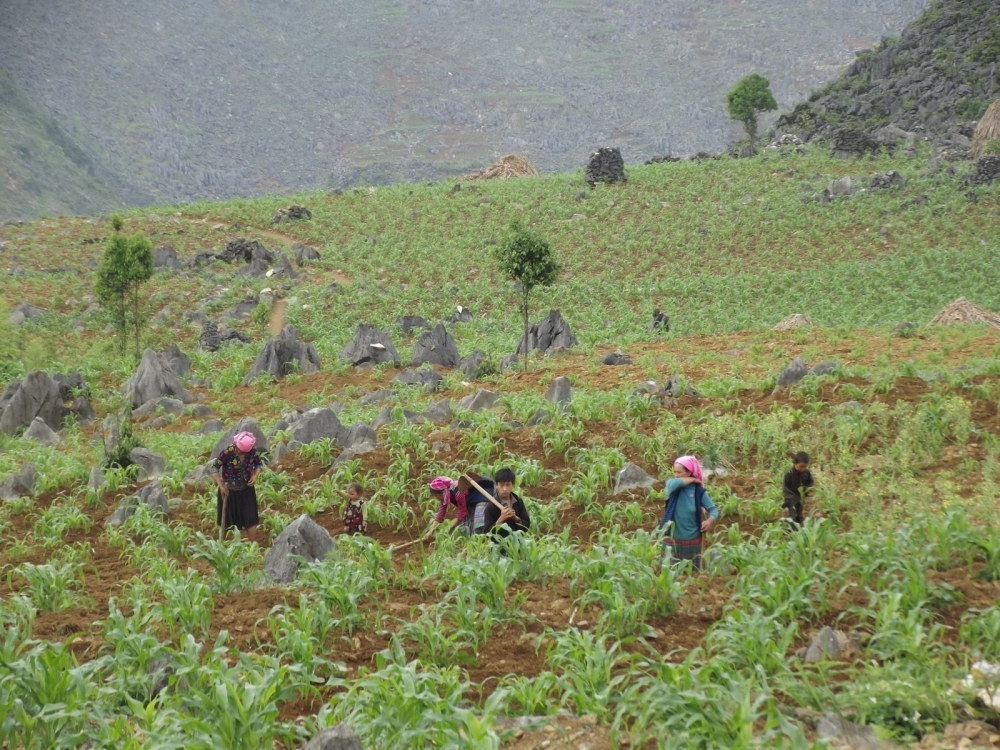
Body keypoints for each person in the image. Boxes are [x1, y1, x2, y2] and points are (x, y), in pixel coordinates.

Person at [654, 455, 718, 573]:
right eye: (675, 472)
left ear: (689, 473)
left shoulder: (697, 491)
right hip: (672, 542)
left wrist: (710, 521)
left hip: (693, 542)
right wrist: (693, 479)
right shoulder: (672, 487)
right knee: (670, 576)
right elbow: (673, 483)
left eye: (680, 472)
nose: (676, 475)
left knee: (692, 577)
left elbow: (713, 510)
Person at [213, 431, 264, 543]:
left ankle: (252, 546)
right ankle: (221, 545)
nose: (243, 453)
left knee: (250, 519)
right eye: (241, 451)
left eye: (245, 452)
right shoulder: (228, 452)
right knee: (225, 520)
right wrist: (221, 486)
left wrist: (255, 475)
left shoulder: (252, 452)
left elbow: (259, 464)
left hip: (246, 490)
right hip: (228, 491)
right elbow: (215, 468)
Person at [482, 468, 530, 538]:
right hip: (499, 546)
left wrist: (516, 519)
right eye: (501, 485)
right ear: (496, 485)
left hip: (517, 545)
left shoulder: (518, 501)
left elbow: (527, 526)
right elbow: (487, 534)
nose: (505, 489)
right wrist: (501, 519)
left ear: (513, 485)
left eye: (508, 485)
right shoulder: (491, 506)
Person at [421, 476, 468, 542]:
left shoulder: (458, 492)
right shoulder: (446, 495)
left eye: (436, 496)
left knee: (477, 529)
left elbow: (462, 513)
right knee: (465, 531)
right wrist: (430, 532)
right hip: (470, 505)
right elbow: (440, 515)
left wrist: (447, 530)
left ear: (441, 492)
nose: (436, 498)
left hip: (481, 499)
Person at [783, 451, 814, 529]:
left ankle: (799, 521)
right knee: (793, 512)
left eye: (805, 466)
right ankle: (792, 528)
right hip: (791, 497)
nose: (803, 469)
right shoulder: (789, 474)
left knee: (799, 510)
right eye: (801, 466)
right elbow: (786, 488)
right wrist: (790, 499)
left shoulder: (806, 473)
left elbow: (811, 482)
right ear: (795, 463)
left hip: (800, 496)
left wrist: (806, 488)